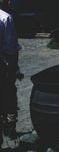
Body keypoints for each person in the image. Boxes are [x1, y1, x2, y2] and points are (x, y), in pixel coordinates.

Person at [0, 8, 22, 147]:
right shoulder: (5, 18)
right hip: (3, 67)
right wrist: (14, 70)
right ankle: (10, 126)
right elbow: (12, 50)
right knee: (9, 97)